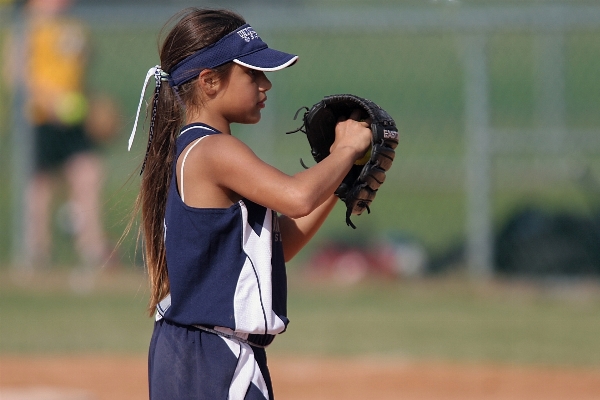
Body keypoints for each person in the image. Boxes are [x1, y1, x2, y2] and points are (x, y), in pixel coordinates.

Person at [128, 8, 372, 400]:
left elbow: (282, 243)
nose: (265, 85)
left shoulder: (203, 149)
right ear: (209, 81)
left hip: (205, 353)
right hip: (211, 359)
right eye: (252, 73)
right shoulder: (213, 150)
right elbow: (297, 197)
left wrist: (340, 179)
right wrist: (343, 151)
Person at [13, 0, 110, 286]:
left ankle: (92, 250)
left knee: (89, 174)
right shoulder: (26, 27)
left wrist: (90, 103)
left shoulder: (73, 27)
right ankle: (36, 254)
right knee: (39, 188)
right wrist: (50, 100)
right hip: (38, 120)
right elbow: (17, 76)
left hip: (73, 118)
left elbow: (79, 72)